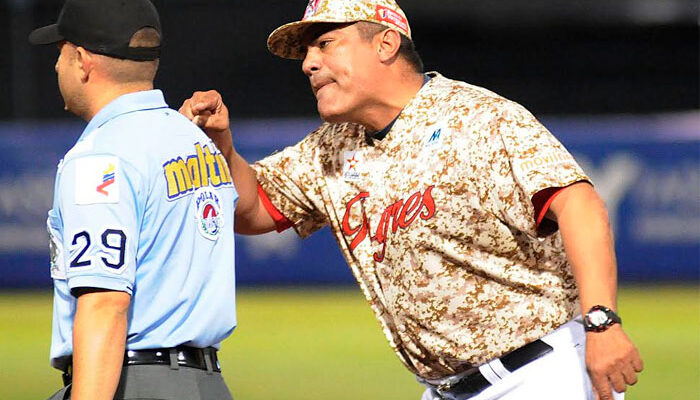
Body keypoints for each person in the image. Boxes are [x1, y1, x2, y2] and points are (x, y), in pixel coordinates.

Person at [181, 0, 643, 399]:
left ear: (385, 44)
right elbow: (252, 209)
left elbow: (579, 205)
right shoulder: (333, 146)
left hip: (541, 373)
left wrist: (602, 321)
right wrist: (220, 144)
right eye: (306, 52)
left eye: (325, 43)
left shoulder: (476, 117)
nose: (308, 63)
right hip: (445, 388)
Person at [30, 1, 238, 399]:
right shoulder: (194, 140)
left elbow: (105, 304)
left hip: (135, 383)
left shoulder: (99, 158)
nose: (56, 66)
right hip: (208, 384)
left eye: (60, 53)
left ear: (82, 61)